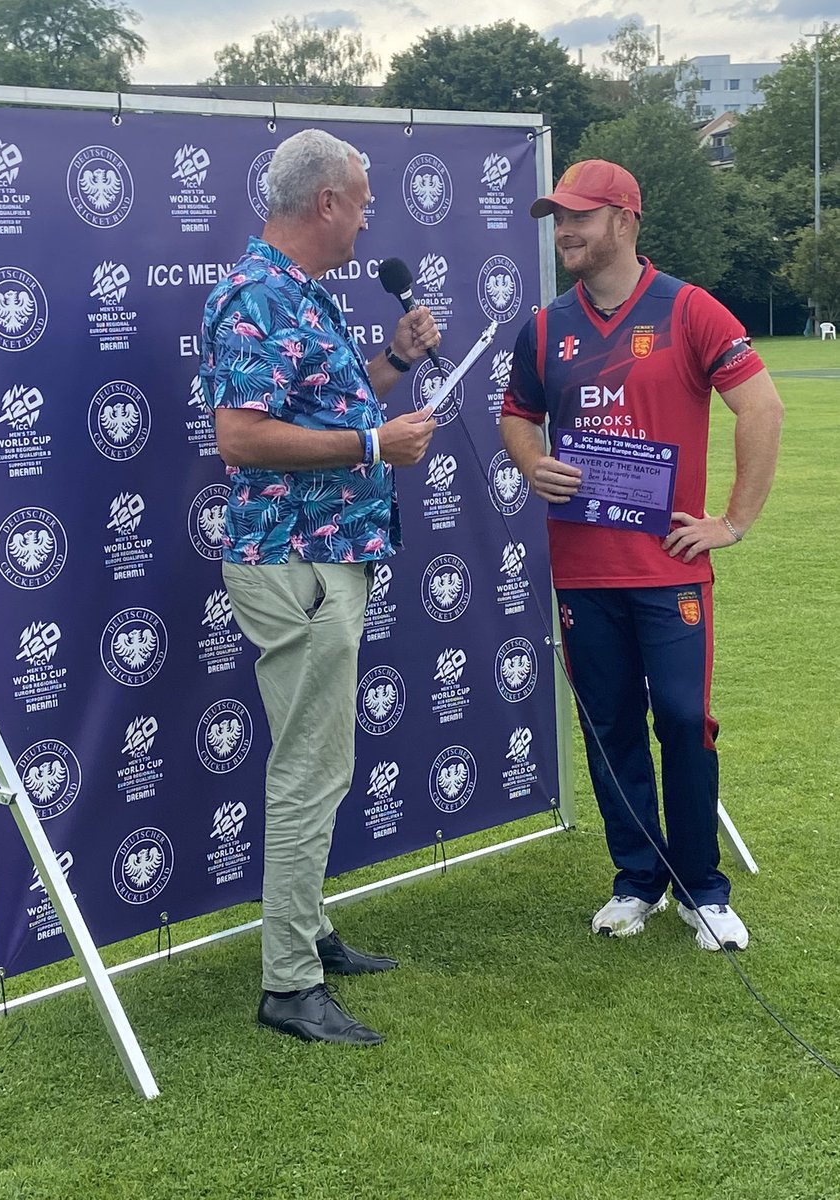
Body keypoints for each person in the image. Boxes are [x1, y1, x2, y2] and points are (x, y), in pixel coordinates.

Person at [501, 159, 783, 951]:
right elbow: (516, 414)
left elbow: (761, 406)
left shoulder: (689, 309)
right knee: (611, 727)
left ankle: (703, 888)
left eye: (580, 218)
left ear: (624, 220)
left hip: (670, 569)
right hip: (582, 572)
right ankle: (638, 880)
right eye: (557, 219)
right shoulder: (547, 325)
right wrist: (531, 461)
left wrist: (732, 521)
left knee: (686, 720)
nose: (565, 232)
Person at [199, 129, 438, 1045]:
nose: (370, 216)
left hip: (323, 554)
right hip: (295, 562)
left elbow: (332, 404)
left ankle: (309, 932)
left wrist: (397, 366)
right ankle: (289, 985)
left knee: (319, 762)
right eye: (364, 199)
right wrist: (377, 444)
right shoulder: (255, 293)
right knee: (309, 770)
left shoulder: (300, 295)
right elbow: (242, 438)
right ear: (327, 201)